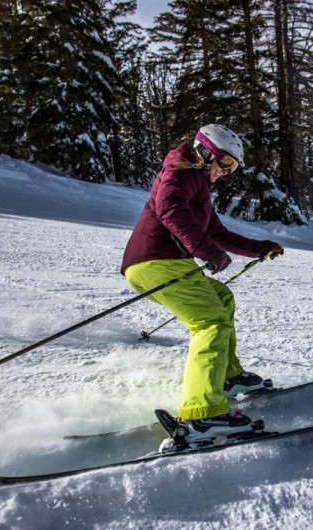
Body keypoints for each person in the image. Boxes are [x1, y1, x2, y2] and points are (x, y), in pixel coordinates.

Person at [121, 124, 284, 445]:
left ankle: (227, 377)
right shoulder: (181, 171)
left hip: (160, 262)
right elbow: (170, 209)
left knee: (221, 298)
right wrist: (205, 251)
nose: (226, 171)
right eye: (225, 162)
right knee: (211, 322)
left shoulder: (195, 182)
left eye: (233, 167)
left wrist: (259, 247)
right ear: (206, 152)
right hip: (156, 260)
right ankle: (203, 414)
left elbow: (217, 233)